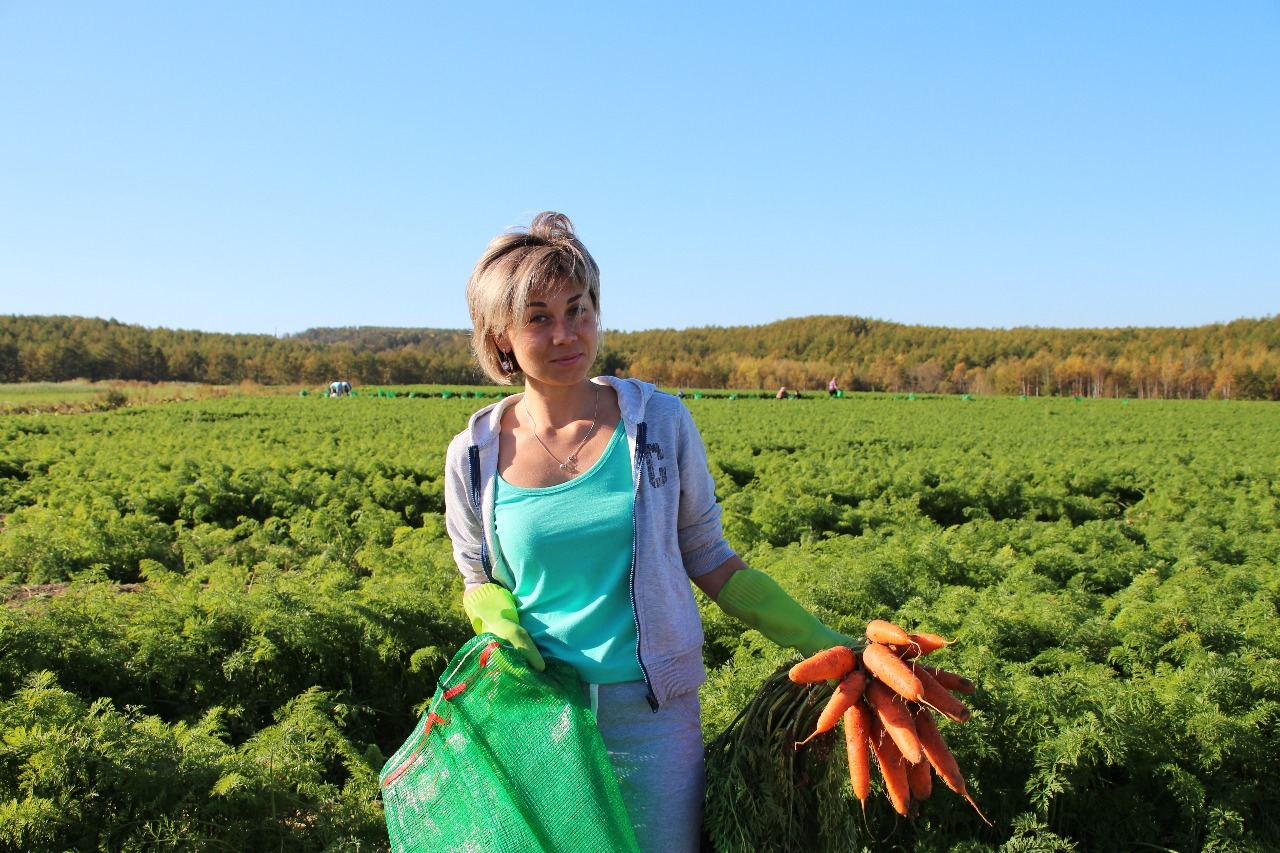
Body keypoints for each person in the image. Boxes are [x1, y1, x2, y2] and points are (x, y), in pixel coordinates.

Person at [443, 212, 850, 853]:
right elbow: (479, 578)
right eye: (539, 317)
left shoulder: (656, 424)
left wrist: (819, 641)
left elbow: (709, 554)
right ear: (500, 336)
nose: (566, 334)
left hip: (653, 719)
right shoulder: (474, 451)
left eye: (578, 309)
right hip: (542, 720)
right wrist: (498, 622)